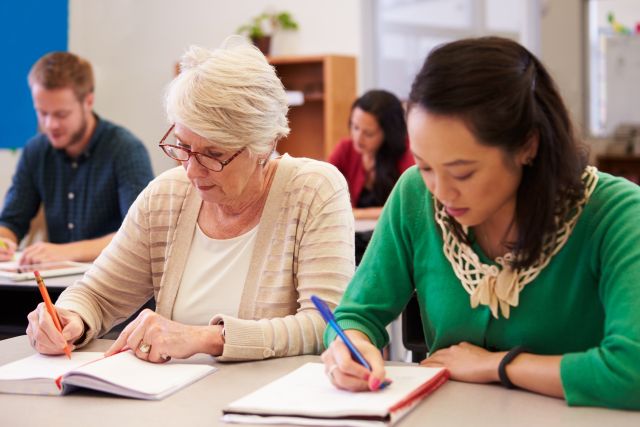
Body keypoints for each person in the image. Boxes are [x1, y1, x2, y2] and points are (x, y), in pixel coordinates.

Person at [321, 37, 640, 410]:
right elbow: (355, 315)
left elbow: (631, 369)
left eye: (463, 172)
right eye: (424, 166)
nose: (440, 191)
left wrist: (498, 365)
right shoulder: (414, 195)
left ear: (528, 146)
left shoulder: (615, 212)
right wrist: (351, 346)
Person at [26, 38, 355, 363]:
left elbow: (326, 324)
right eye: (183, 146)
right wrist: (69, 318)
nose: (192, 170)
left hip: (270, 405)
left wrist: (207, 338)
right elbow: (97, 294)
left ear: (263, 144)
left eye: (214, 154)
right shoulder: (167, 195)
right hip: (172, 400)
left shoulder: (313, 191)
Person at [0, 51, 154, 265]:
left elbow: (139, 235)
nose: (50, 124)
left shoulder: (125, 149)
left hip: (114, 285)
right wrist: (4, 242)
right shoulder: (36, 150)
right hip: (57, 286)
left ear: (88, 101)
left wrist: (65, 252)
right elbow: (11, 221)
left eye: (61, 114)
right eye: (42, 113)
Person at [328, 90, 414, 221]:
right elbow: (323, 189)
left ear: (388, 133)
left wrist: (356, 214)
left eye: (368, 133)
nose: (358, 138)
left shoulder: (407, 152)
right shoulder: (345, 148)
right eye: (355, 127)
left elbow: (408, 207)